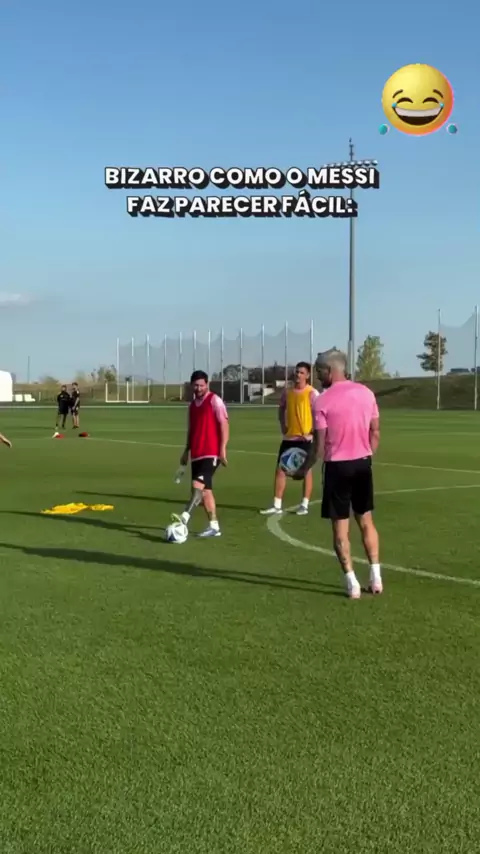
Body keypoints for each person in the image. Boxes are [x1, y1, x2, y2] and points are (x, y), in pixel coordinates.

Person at [297, 348, 382, 599]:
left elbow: (319, 446)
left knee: (340, 528)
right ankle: (376, 577)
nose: (317, 376)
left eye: (319, 371)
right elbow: (375, 431)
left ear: (330, 370)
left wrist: (304, 469)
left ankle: (352, 583)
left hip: (338, 468)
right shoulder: (366, 393)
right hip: (363, 464)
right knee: (366, 520)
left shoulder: (322, 401)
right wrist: (367, 454)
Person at [171, 370, 229, 538]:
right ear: (192, 386)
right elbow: (192, 430)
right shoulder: (192, 406)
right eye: (196, 385)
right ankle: (214, 526)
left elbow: (224, 424)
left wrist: (222, 448)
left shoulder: (214, 401)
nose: (199, 388)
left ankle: (184, 517)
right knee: (205, 491)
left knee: (198, 485)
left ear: (207, 384)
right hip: (197, 453)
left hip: (211, 453)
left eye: (201, 385)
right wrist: (186, 451)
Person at [260, 361, 320, 516]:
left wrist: (314, 431)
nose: (298, 375)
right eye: (296, 372)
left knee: (306, 470)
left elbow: (319, 413)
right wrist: (283, 425)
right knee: (281, 469)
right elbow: (281, 409)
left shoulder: (312, 393)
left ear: (307, 375)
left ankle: (304, 504)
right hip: (289, 438)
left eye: (301, 372)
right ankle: (277, 505)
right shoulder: (287, 392)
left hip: (306, 439)